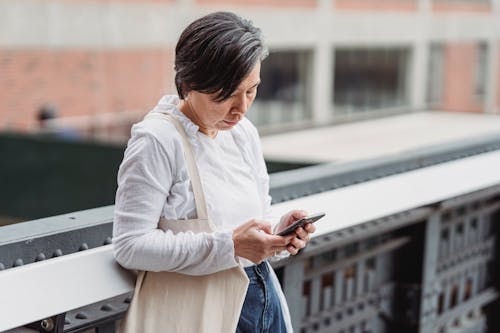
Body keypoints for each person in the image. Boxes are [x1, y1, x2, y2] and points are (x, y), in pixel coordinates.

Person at [113, 11, 315, 333]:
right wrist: (230, 247)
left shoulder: (243, 133)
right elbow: (130, 245)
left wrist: (277, 234)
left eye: (251, 91)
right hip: (199, 314)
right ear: (189, 83)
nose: (242, 108)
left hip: (264, 304)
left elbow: (247, 224)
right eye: (226, 95)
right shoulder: (157, 140)